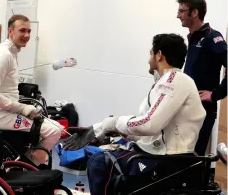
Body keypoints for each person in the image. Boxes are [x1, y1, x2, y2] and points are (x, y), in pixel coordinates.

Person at [63, 33, 207, 195]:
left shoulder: (174, 80)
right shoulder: (169, 81)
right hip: (160, 154)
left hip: (169, 160)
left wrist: (109, 124)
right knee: (100, 154)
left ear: (159, 55)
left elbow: (150, 124)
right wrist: (107, 132)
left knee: (100, 163)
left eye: (150, 53)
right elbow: (155, 132)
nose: (148, 59)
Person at [0, 14, 62, 165]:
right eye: (22, 30)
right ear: (10, 31)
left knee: (56, 126)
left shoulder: (10, 53)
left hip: (5, 112)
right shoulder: (3, 55)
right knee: (53, 131)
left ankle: (25, 161)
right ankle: (28, 166)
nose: (26, 35)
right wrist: (22, 108)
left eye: (29, 31)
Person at [176, 0, 227, 156]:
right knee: (180, 156)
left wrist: (215, 94)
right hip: (186, 108)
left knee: (193, 159)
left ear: (194, 12)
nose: (178, 15)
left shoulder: (213, 38)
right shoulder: (192, 38)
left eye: (181, 11)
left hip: (202, 111)